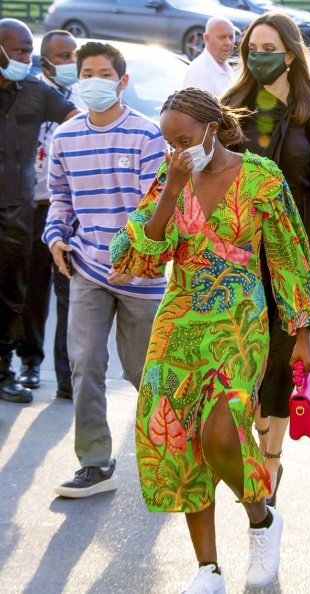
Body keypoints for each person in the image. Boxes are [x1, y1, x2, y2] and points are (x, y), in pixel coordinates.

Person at [109, 87, 310, 593]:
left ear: (211, 128)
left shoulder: (260, 178)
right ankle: (208, 569)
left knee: (220, 435)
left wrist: (302, 334)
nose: (176, 150)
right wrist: (170, 188)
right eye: (168, 142)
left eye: (184, 139)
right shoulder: (171, 175)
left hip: (238, 322)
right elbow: (133, 257)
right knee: (178, 439)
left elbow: (290, 256)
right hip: (178, 323)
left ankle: (262, 518)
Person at [223, 12, 310, 507]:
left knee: (285, 357)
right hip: (241, 253)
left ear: (291, 53)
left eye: (268, 46)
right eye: (251, 46)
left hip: (300, 251)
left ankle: (270, 466)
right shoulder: (231, 108)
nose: (258, 54)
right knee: (248, 360)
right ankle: (258, 442)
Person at [43, 42, 167, 498]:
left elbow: (154, 207)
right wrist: (56, 237)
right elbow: (61, 197)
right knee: (85, 363)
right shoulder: (66, 137)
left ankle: (172, 451)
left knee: (143, 371)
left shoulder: (146, 135)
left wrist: (132, 258)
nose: (95, 80)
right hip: (87, 270)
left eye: (104, 73)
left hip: (142, 277)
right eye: (87, 73)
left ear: (122, 81)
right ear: (78, 80)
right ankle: (95, 463)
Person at [0, 18, 79, 405]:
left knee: (38, 293)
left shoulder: (46, 94)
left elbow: (79, 121)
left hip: (43, 210)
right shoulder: (26, 89)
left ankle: (37, 373)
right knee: (19, 290)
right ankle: (19, 364)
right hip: (21, 206)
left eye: (28, 51)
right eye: (19, 50)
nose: (24, 58)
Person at [182, 17, 236, 97]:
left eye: (231, 37)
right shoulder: (200, 72)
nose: (228, 42)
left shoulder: (225, 65)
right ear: (206, 38)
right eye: (222, 37)